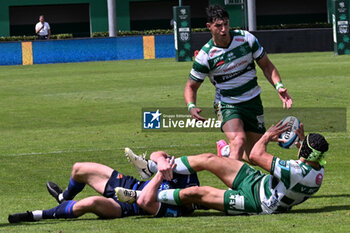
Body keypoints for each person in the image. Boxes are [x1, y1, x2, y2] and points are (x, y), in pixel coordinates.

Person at [119, 121, 329, 215]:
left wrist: (267, 136)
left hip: (256, 202)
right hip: (258, 182)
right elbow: (307, 159)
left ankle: (142, 194)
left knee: (196, 193)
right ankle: (151, 167)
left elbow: (255, 155)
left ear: (306, 154)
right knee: (210, 159)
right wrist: (301, 141)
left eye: (302, 146)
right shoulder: (317, 170)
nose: (299, 146)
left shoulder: (295, 173)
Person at [184, 5, 293, 161]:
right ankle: (233, 186)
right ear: (209, 27)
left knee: (255, 157)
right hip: (228, 103)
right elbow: (191, 87)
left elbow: (267, 65)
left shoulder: (246, 39)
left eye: (226, 24)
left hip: (253, 100)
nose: (223, 29)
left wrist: (279, 86)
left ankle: (226, 151)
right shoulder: (205, 56)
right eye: (218, 26)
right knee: (238, 141)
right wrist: (191, 106)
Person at [8, 152, 200, 223]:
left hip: (127, 206)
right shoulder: (189, 175)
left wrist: (158, 175)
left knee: (89, 203)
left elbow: (144, 202)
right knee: (79, 169)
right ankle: (63, 198)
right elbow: (159, 153)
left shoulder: (177, 209)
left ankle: (35, 215)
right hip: (129, 183)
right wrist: (160, 161)